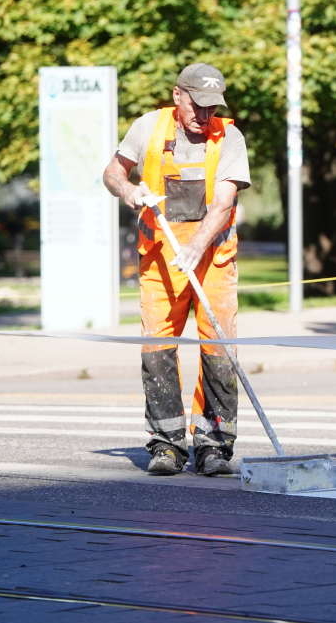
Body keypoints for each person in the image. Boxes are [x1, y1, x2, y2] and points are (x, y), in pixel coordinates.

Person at [102, 63, 250, 476]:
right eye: (198, 106)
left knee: (219, 349)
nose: (205, 117)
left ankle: (214, 446)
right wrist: (128, 190)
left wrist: (197, 245)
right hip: (161, 259)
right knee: (158, 348)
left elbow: (222, 203)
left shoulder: (229, 137)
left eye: (212, 108)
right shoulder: (148, 127)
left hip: (213, 259)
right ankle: (166, 444)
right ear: (177, 96)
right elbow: (113, 172)